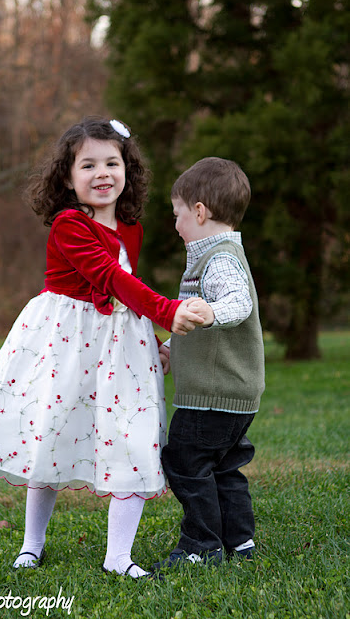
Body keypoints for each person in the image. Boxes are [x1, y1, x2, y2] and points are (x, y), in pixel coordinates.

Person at [0, 116, 204, 579]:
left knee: (132, 438)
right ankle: (32, 545)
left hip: (121, 349)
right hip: (65, 345)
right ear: (68, 179)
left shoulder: (131, 228)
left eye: (112, 163)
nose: (102, 173)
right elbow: (108, 277)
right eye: (88, 165)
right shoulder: (69, 224)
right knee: (52, 434)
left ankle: (118, 557)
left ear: (127, 170)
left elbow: (124, 293)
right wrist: (167, 312)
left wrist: (153, 342)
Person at [153, 157, 265, 570]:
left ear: (199, 211)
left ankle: (201, 545)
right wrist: (172, 348)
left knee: (186, 461)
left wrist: (213, 311)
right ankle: (240, 540)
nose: (176, 224)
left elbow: (237, 302)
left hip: (212, 395)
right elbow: (199, 323)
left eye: (177, 214)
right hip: (235, 393)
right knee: (223, 466)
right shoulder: (218, 255)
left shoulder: (218, 259)